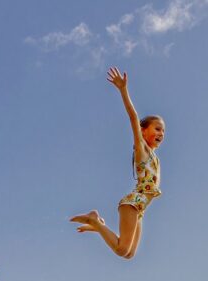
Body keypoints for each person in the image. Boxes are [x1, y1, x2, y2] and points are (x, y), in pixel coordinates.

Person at [70, 67, 165, 259]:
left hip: (140, 209)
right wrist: (123, 90)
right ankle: (95, 221)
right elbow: (133, 117)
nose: (161, 134)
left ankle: (99, 225)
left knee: (129, 254)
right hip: (132, 203)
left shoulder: (155, 157)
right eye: (157, 129)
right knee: (121, 249)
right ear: (143, 131)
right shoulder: (142, 150)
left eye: (163, 131)